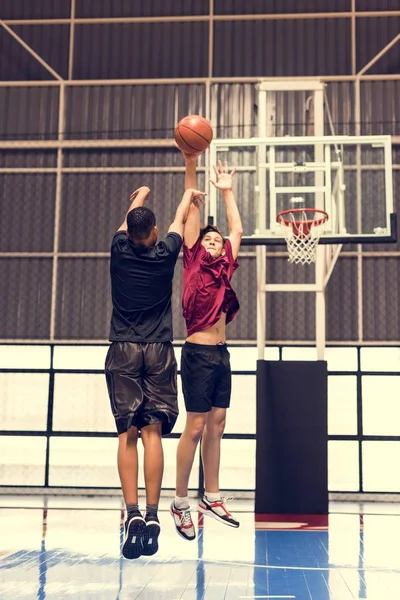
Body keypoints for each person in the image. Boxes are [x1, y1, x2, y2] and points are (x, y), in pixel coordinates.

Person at [105, 184, 205, 559]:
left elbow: (128, 222)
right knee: (152, 434)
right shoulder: (166, 253)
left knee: (126, 435)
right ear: (155, 232)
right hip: (159, 350)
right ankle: (151, 515)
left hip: (123, 349)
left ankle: (131, 515)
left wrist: (139, 195)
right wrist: (187, 195)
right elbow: (180, 219)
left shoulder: (118, 250)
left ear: (129, 234)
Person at [170, 154, 243, 541]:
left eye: (218, 240)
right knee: (195, 426)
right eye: (209, 239)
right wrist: (191, 163)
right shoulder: (195, 257)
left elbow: (236, 229)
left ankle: (210, 496)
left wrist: (228, 192)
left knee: (218, 424)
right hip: (197, 353)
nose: (215, 241)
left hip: (221, 354)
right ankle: (180, 500)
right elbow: (192, 212)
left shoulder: (226, 263)